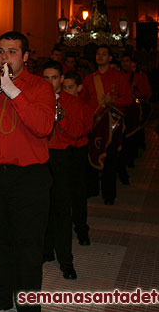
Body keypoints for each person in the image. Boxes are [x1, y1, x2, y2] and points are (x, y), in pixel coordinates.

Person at [0, 31, 55, 312]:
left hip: (28, 177)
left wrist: (12, 90)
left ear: (26, 57)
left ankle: (29, 303)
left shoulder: (40, 87)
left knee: (28, 244)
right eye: (1, 51)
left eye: (12, 52)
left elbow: (43, 127)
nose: (4, 57)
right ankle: (0, 296)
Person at [41, 60, 85, 280]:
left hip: (62, 158)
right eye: (46, 78)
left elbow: (78, 132)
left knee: (62, 211)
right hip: (41, 158)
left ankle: (66, 260)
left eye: (54, 78)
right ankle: (46, 250)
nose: (50, 82)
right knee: (43, 208)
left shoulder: (71, 102)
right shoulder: (38, 100)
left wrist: (62, 117)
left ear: (61, 79)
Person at [81, 46, 133, 205]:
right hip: (94, 123)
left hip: (111, 124)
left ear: (110, 58)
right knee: (91, 155)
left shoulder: (119, 77)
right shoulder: (89, 78)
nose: (100, 57)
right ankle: (92, 189)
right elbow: (83, 101)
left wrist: (114, 102)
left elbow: (128, 100)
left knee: (110, 159)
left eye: (104, 54)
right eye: (98, 54)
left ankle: (109, 194)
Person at [62, 71, 91, 245]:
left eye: (70, 87)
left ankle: (81, 228)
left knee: (79, 193)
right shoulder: (60, 103)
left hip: (78, 151)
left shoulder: (84, 106)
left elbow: (83, 130)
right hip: (64, 151)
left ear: (79, 88)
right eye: (64, 87)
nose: (66, 91)